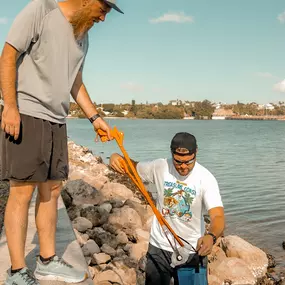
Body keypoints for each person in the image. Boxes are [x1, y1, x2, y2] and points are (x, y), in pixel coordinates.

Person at [0, 0, 123, 284]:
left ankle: (46, 261)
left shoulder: (83, 34)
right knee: (21, 192)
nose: (103, 18)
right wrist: (10, 106)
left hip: (57, 120)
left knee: (52, 191)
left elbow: (74, 81)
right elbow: (8, 56)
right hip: (27, 114)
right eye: (102, 10)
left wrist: (95, 118)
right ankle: (17, 272)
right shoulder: (41, 10)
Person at [109, 132, 225, 285]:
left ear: (196, 152)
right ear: (171, 153)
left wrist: (211, 236)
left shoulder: (206, 179)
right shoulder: (160, 167)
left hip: (192, 250)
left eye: (188, 162)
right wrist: (117, 157)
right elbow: (132, 167)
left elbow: (218, 216)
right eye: (178, 162)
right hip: (159, 248)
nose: (183, 167)